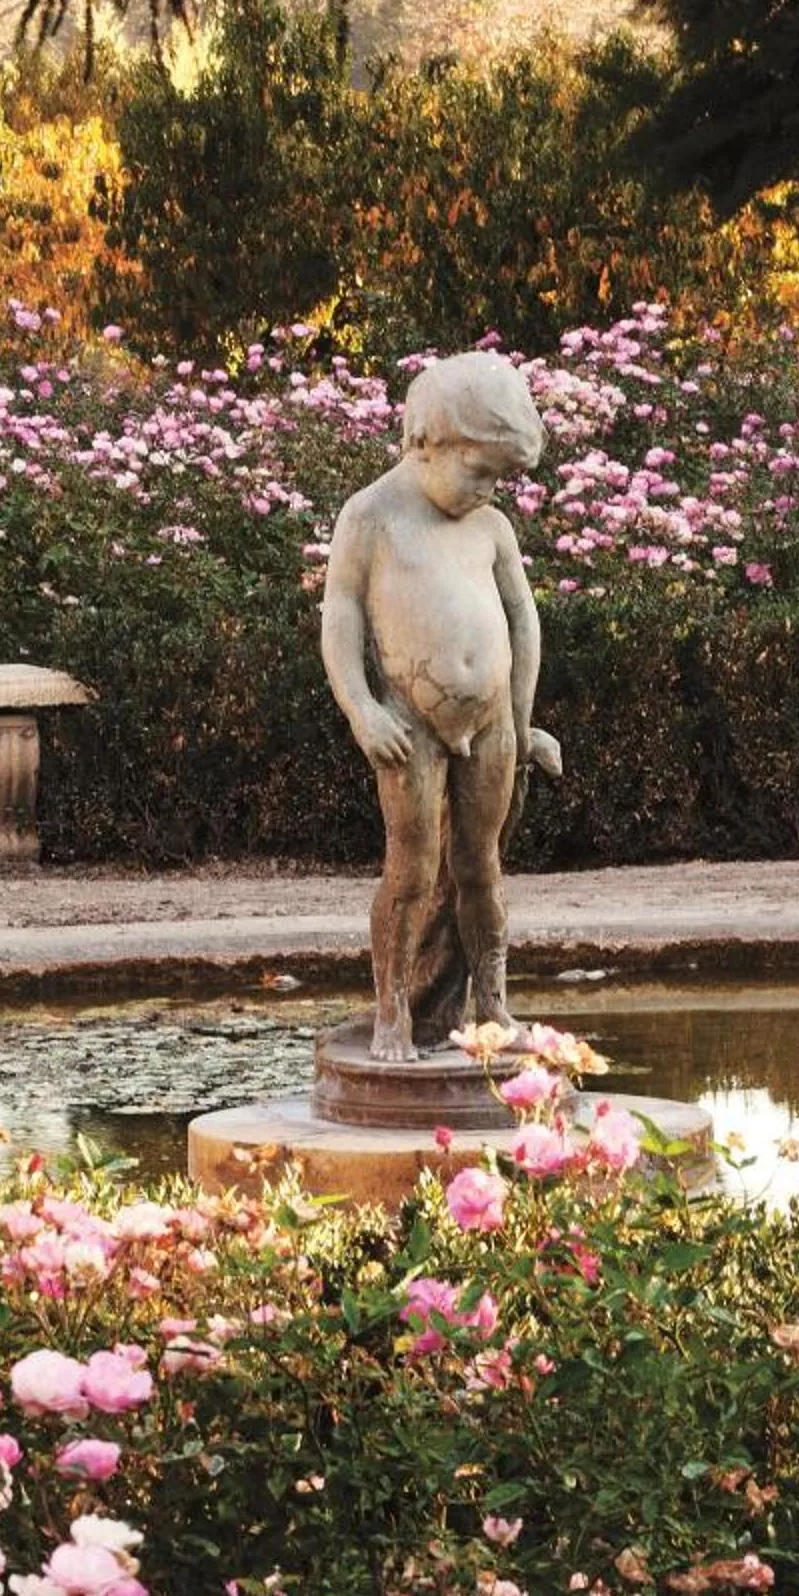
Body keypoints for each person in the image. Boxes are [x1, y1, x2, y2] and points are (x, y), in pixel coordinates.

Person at [320, 350, 561, 1063]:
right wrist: (362, 709)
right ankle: (393, 1014)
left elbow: (522, 622)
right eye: (479, 471)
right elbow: (340, 616)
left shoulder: (490, 528)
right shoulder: (372, 516)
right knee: (412, 871)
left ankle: (492, 1004)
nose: (489, 490)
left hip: (491, 724)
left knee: (481, 865)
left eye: (500, 478)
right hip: (410, 723)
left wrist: (524, 724)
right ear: (426, 440)